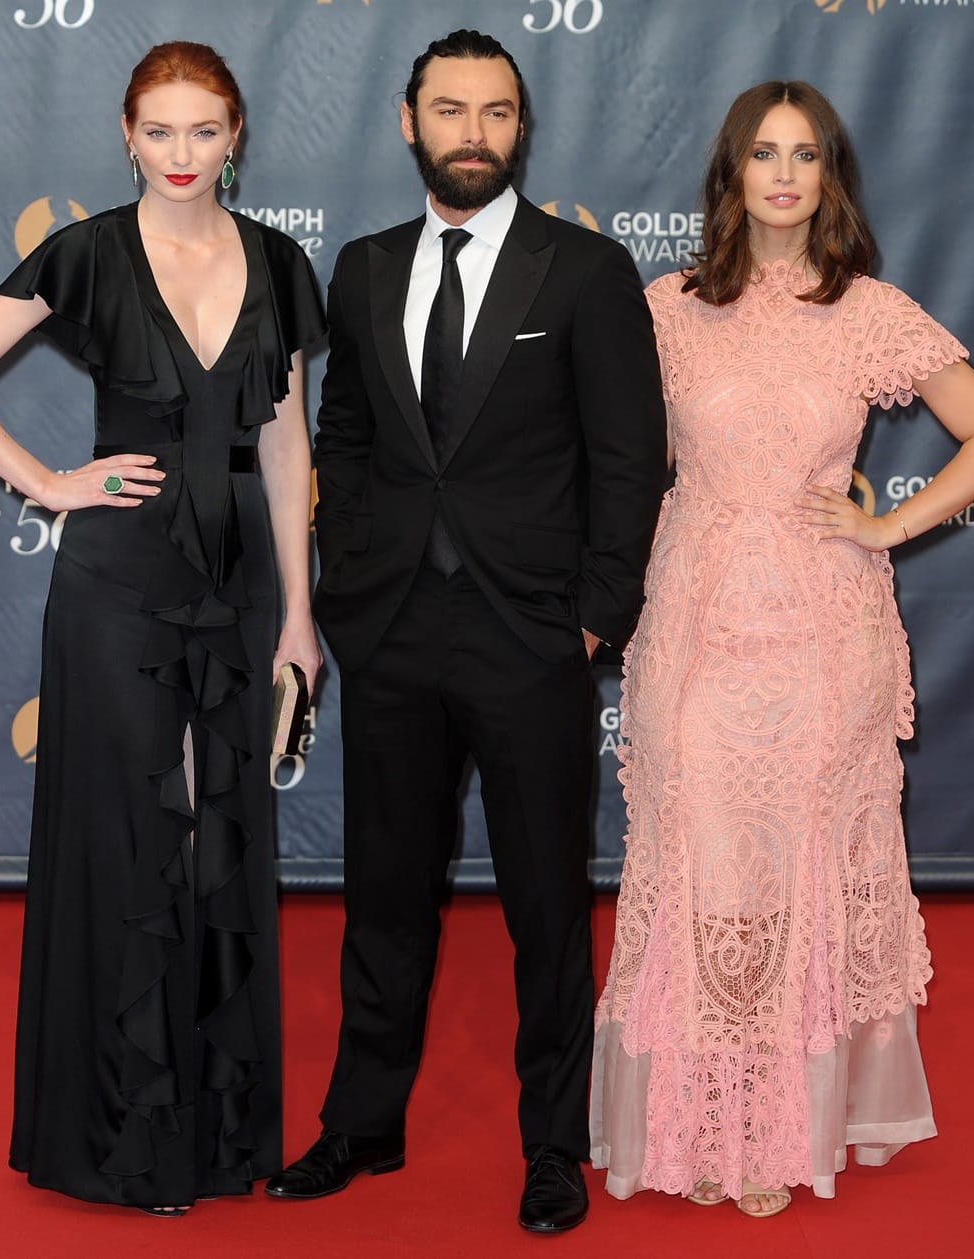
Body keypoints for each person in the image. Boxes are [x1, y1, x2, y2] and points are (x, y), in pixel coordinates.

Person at [590, 81, 974, 1219]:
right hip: (693, 618)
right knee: (700, 861)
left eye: (807, 155)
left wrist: (884, 521)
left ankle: (783, 1126)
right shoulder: (665, 306)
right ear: (730, 172)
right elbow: (606, 454)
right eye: (763, 154)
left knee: (797, 869)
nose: (784, 175)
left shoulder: (871, 310)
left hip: (824, 632)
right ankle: (699, 1118)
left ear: (830, 176)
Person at [0, 42, 325, 1214]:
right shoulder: (85, 255)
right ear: (127, 135)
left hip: (244, 586)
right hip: (118, 586)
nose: (184, 155)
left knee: (218, 842)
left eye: (206, 131)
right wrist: (47, 480)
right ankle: (135, 1143)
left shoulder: (282, 263)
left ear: (237, 133)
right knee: (145, 839)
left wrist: (299, 612)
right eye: (162, 132)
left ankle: (222, 1130)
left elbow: (286, 443)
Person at [264, 30, 666, 1233]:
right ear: (408, 121)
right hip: (390, 628)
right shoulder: (365, 265)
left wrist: (596, 618)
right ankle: (361, 1123)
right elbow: (341, 434)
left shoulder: (586, 271)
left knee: (547, 902)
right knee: (384, 889)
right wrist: (346, 583)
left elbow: (629, 459)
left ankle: (556, 1144)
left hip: (532, 635)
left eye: (497, 112)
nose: (475, 132)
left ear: (521, 128)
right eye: (452, 109)